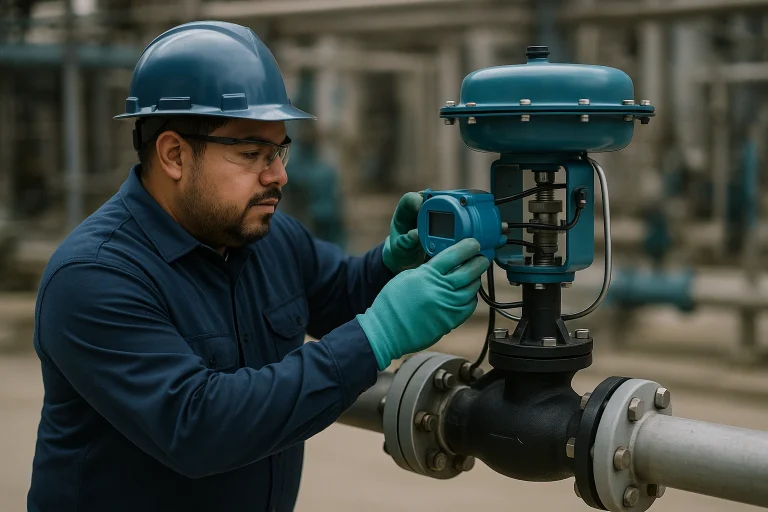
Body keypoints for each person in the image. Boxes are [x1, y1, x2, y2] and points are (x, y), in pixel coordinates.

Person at [27, 21, 489, 512]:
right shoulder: (94, 277)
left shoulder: (267, 237)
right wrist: (380, 332)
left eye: (280, 151)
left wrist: (391, 264)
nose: (279, 175)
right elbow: (197, 428)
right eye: (253, 154)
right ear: (174, 155)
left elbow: (340, 296)